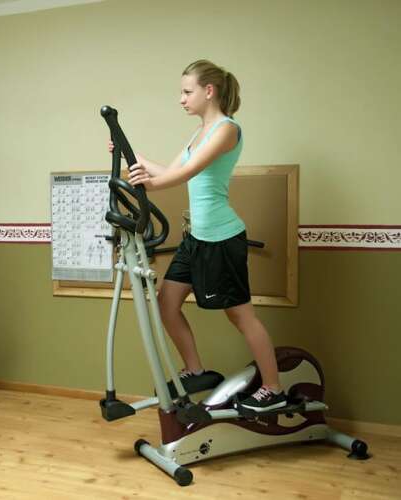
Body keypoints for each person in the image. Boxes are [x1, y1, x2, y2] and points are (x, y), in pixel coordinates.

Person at [112, 59, 285, 412]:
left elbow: (185, 173)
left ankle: (273, 387)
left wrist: (151, 183)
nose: (181, 99)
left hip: (222, 238)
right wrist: (133, 157)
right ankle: (195, 369)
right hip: (196, 238)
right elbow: (172, 171)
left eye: (186, 92)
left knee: (240, 316)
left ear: (209, 91)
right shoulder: (199, 132)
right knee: (166, 302)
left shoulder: (227, 129)